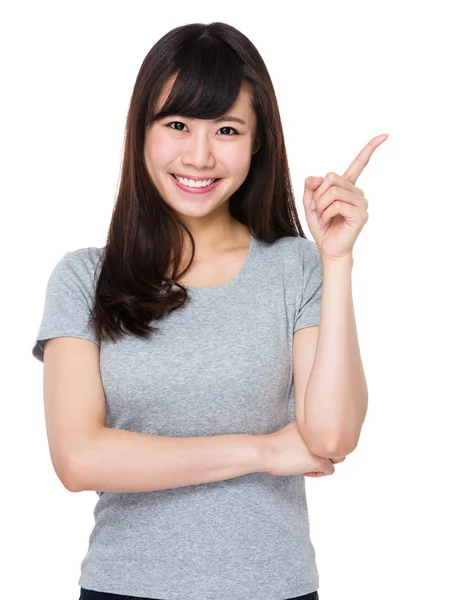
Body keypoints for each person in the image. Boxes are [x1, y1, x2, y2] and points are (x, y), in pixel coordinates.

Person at [30, 20, 363, 600]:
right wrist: (262, 450)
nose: (200, 155)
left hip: (274, 587)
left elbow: (331, 433)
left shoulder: (296, 267)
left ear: (257, 142)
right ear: (142, 133)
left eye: (227, 129)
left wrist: (336, 259)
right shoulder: (85, 278)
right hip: (125, 588)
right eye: (177, 124)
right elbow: (79, 459)